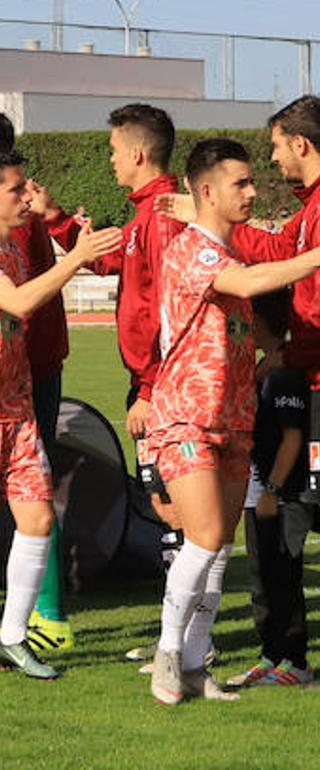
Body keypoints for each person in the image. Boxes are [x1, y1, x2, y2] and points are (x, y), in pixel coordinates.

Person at [160, 96, 320, 688]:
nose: (272, 160)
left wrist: (285, 357)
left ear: (300, 144)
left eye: (276, 147)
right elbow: (286, 253)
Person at [144, 137, 320, 705]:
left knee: (216, 544)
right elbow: (247, 284)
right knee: (203, 540)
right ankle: (168, 656)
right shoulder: (191, 249)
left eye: (251, 180)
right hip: (189, 419)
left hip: (232, 421)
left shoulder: (225, 253)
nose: (252, 190)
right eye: (240, 183)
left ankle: (195, 667)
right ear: (206, 192)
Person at [25, 104, 189, 659]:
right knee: (168, 510)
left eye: (114, 150)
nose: (110, 159)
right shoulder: (148, 215)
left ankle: (187, 640)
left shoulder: (163, 216)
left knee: (177, 511)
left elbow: (172, 312)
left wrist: (147, 388)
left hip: (162, 390)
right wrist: (59, 222)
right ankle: (178, 635)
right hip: (152, 385)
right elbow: (114, 259)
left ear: (138, 154)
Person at [0, 150, 119, 679]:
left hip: (16, 406)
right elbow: (19, 305)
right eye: (17, 190)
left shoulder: (17, 249)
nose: (30, 197)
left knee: (39, 516)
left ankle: (12, 637)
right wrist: (75, 257)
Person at [0, 113, 79, 652]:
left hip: (25, 380)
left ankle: (41, 618)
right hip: (33, 372)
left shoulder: (17, 227)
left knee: (35, 500)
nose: (25, 194)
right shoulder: (18, 224)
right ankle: (42, 615)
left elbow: (26, 303)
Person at [227, 288, 320, 689]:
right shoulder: (268, 367)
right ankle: (270, 654)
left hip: (282, 494)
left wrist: (271, 489)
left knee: (284, 576)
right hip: (257, 491)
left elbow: (292, 440)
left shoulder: (284, 374)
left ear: (263, 323)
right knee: (261, 577)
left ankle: (296, 660)